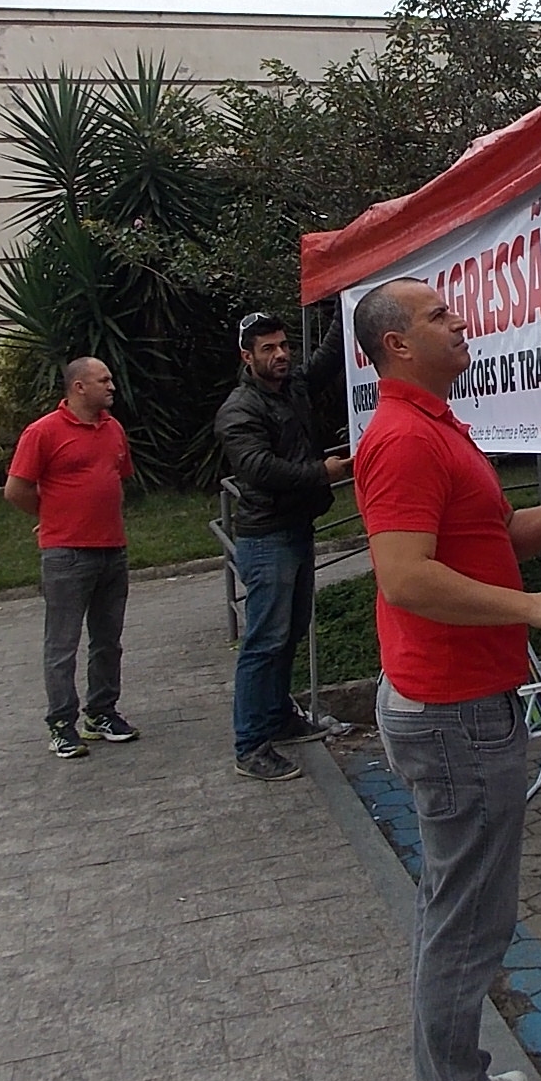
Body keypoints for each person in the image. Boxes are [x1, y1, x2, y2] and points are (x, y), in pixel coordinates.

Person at [355, 276, 541, 1081]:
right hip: (451, 714)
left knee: (471, 914)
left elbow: (492, 535)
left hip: (467, 707)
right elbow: (406, 577)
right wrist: (531, 612)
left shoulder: (436, 425)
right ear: (398, 344)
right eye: (440, 316)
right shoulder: (400, 437)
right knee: (464, 923)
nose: (461, 321)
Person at [215, 310, 351, 783]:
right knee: (264, 640)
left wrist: (346, 300)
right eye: (268, 349)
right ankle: (251, 745)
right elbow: (258, 467)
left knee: (290, 631)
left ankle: (278, 718)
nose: (281, 355)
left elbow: (328, 360)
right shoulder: (239, 409)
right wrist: (322, 473)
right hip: (267, 536)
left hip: (296, 527)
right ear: (246, 356)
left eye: (283, 345)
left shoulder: (291, 387)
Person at [5, 356, 139, 758]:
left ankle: (101, 712)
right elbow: (16, 489)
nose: (112, 386)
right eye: (104, 380)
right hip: (66, 556)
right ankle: (61, 724)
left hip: (112, 551)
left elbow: (119, 479)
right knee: (62, 644)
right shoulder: (43, 432)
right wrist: (52, 518)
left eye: (111, 379)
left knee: (107, 640)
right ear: (79, 387)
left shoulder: (114, 430)